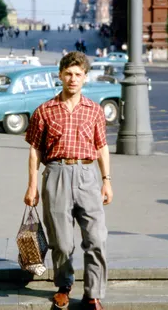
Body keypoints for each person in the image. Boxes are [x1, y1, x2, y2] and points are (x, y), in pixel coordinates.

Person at [24, 51, 113, 310]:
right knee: (61, 242)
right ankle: (64, 285)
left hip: (88, 176)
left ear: (85, 77)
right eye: (68, 74)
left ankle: (93, 294)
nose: (73, 79)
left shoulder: (94, 111)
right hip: (56, 174)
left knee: (96, 238)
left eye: (78, 74)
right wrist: (31, 185)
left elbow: (102, 147)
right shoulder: (45, 111)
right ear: (60, 76)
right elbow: (34, 149)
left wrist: (106, 180)